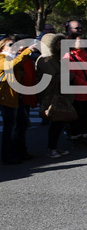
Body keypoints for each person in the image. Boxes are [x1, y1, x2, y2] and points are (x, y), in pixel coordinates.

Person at [0, 36, 40, 165]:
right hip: (7, 98)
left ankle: (20, 151)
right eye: (11, 44)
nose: (15, 46)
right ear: (2, 47)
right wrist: (26, 51)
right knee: (10, 127)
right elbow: (10, 66)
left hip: (19, 96)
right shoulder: (2, 58)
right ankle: (8, 155)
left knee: (22, 125)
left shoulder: (17, 58)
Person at [35, 33, 72, 158]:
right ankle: (51, 149)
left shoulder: (57, 58)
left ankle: (55, 147)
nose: (61, 46)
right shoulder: (44, 60)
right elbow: (54, 77)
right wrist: (68, 75)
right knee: (55, 122)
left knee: (60, 122)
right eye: (58, 44)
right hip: (50, 96)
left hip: (60, 94)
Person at [64, 34, 87, 147]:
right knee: (77, 117)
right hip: (78, 92)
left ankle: (85, 136)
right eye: (79, 41)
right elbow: (73, 76)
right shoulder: (68, 57)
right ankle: (77, 138)